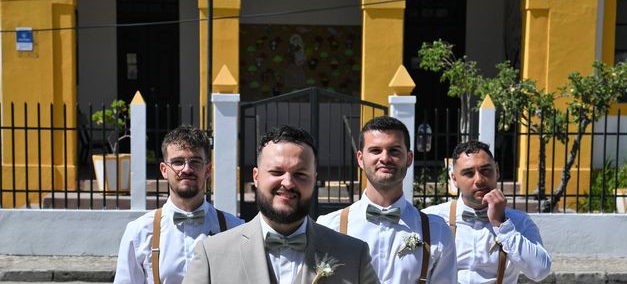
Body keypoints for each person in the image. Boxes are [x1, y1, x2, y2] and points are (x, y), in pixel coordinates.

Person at [183, 125, 380, 284]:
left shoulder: (353, 255)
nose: (287, 182)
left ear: (314, 180)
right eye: (276, 172)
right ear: (256, 177)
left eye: (300, 174)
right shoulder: (212, 255)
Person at [317, 116, 456, 284]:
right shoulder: (329, 226)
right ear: (360, 159)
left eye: (394, 150)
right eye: (375, 150)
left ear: (409, 158)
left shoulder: (437, 231)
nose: (385, 158)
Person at [114, 125, 243, 284]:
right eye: (178, 162)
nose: (187, 169)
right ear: (164, 170)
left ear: (208, 169)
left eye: (195, 162)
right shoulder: (139, 232)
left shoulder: (235, 229)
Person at [424, 140, 551, 284]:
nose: (479, 180)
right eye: (468, 173)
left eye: (485, 170)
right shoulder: (432, 218)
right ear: (454, 179)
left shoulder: (519, 221)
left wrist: (502, 225)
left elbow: (540, 271)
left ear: (497, 170)